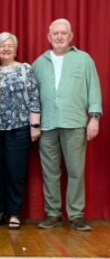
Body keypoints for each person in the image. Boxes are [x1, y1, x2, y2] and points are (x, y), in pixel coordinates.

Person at [33, 18, 102, 231]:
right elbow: (33, 96)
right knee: (50, 172)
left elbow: (94, 88)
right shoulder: (39, 63)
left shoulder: (84, 59)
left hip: (75, 122)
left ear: (71, 36)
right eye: (56, 33)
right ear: (49, 37)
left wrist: (95, 117)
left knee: (76, 170)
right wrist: (33, 124)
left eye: (64, 33)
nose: (60, 37)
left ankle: (76, 214)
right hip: (47, 125)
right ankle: (53, 213)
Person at [0, 32, 41, 229]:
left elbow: (35, 97)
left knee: (16, 172)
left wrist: (35, 125)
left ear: (16, 49)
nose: (6, 49)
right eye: (2, 46)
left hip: (19, 128)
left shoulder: (25, 69)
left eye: (10, 45)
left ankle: (14, 213)